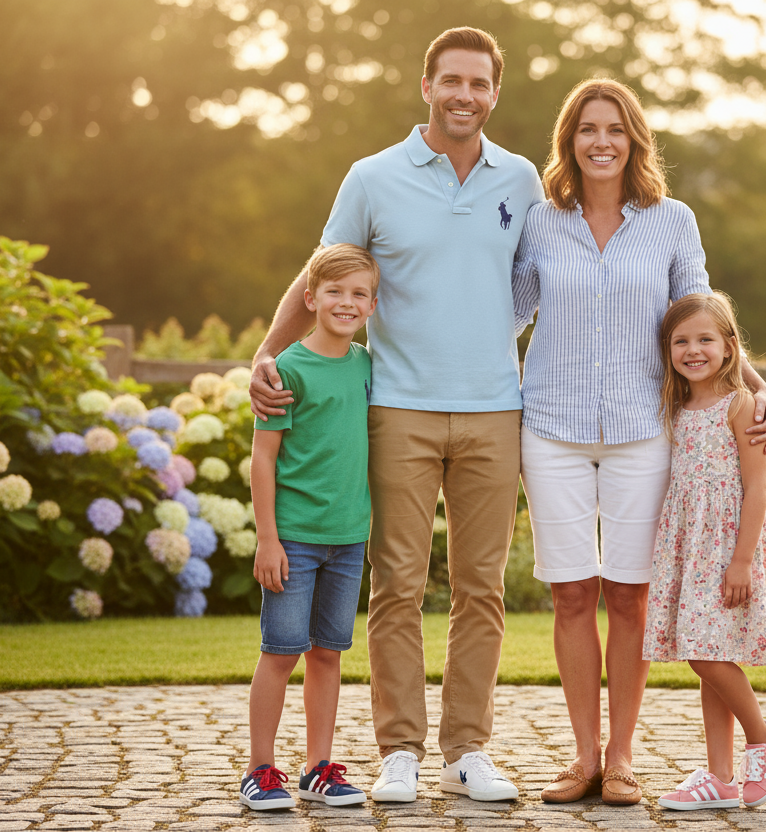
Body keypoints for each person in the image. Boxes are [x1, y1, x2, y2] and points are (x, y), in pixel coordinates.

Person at [248, 27, 544, 803]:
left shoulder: (520, 180)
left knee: (482, 588)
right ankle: (400, 752)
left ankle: (467, 750)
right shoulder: (373, 177)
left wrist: (488, 333)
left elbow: (537, 283)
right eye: (452, 80)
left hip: (494, 410)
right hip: (399, 408)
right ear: (427, 85)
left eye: (479, 84)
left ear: (495, 94)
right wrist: (266, 354)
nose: (464, 95)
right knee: (398, 586)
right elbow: (320, 275)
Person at [511, 79, 766, 805]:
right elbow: (503, 317)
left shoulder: (672, 221)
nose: (602, 142)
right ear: (569, 141)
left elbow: (703, 312)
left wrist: (756, 387)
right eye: (587, 129)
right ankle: (582, 757)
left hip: (641, 430)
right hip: (551, 428)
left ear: (635, 140)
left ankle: (623, 758)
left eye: (616, 129)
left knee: (629, 598)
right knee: (571, 595)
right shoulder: (539, 222)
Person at [240, 244, 378, 811]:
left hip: (349, 539)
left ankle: (319, 768)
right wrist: (267, 538)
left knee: (328, 651)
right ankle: (259, 769)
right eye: (335, 292)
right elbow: (263, 458)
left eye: (359, 294)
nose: (346, 303)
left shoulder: (369, 366)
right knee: (281, 651)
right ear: (310, 297)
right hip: (294, 538)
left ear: (372, 304)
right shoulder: (286, 369)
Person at [644, 292, 766, 811]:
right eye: (681, 341)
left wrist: (742, 560)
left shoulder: (741, 405)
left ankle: (762, 737)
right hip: (690, 546)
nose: (693, 350)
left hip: (729, 546)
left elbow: (756, 489)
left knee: (705, 652)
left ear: (730, 348)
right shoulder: (675, 405)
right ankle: (721, 777)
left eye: (705, 339)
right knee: (712, 652)